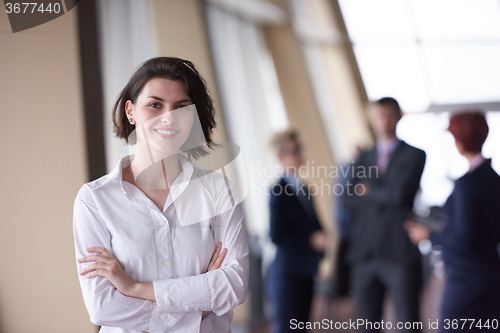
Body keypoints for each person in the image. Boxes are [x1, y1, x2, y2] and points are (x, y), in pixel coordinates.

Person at [73, 57, 249, 333]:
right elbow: (103, 307)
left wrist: (135, 288)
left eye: (181, 107)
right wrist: (200, 306)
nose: (169, 117)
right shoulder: (95, 200)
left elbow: (233, 286)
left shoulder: (219, 191)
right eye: (155, 104)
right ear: (130, 111)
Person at [406, 111, 500, 332]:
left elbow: (463, 237)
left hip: (466, 277)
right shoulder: (494, 179)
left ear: (458, 140)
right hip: (491, 271)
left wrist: (429, 234)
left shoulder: (467, 184)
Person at [345, 97, 426, 332]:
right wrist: (382, 193)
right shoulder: (363, 157)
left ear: (398, 117)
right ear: (371, 119)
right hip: (366, 253)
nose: (384, 121)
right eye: (379, 116)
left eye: (389, 115)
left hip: (398, 251)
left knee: (408, 322)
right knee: (367, 324)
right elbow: (347, 198)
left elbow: (400, 195)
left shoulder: (415, 154)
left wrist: (367, 191)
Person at [267, 129, 326, 333]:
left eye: (301, 149)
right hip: (288, 273)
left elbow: (315, 225)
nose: (300, 155)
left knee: (302, 327)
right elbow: (276, 235)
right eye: (294, 151)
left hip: (307, 269)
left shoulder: (305, 189)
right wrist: (311, 240)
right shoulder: (278, 191)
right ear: (281, 156)